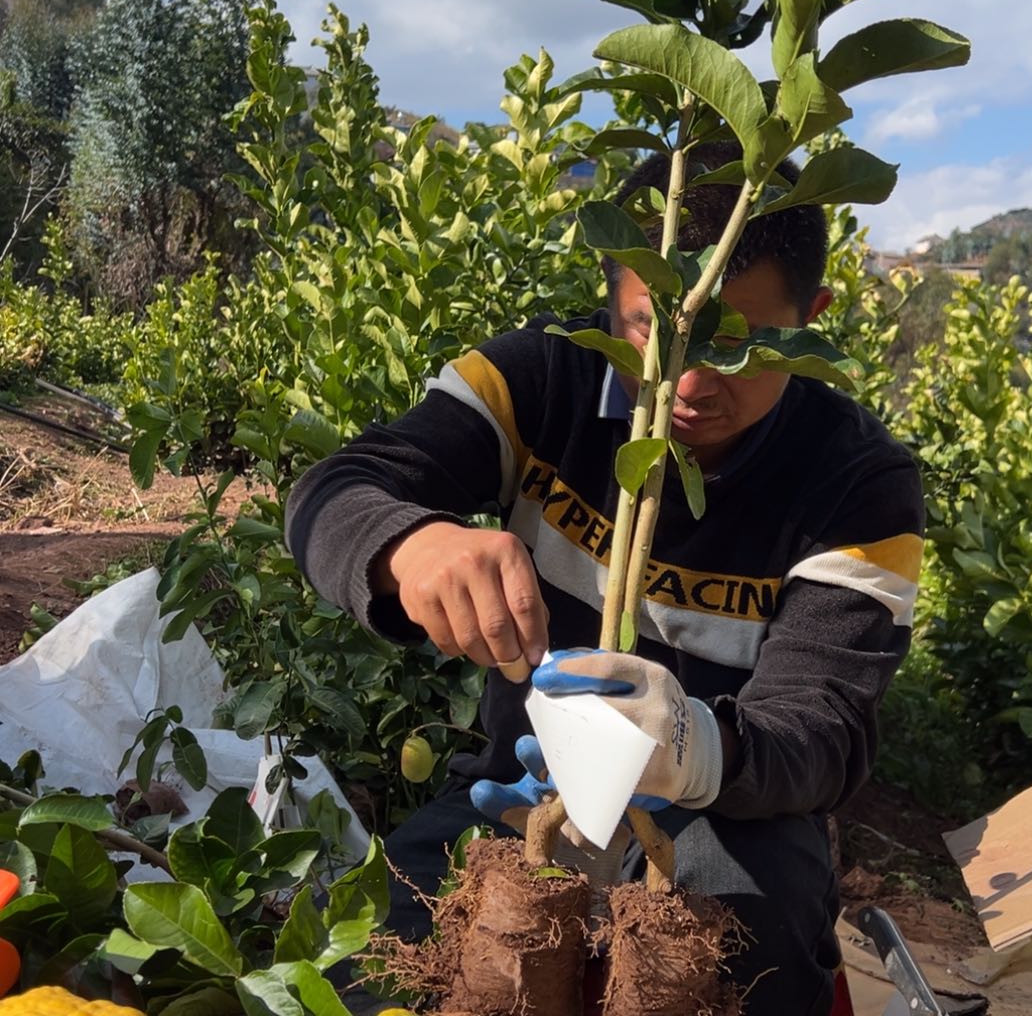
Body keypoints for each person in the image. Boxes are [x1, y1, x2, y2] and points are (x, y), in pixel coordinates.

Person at [284, 141, 924, 1015]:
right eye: (647, 328)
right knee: (364, 963)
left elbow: (826, 727)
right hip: (526, 791)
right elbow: (333, 491)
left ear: (811, 316)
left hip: (734, 821)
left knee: (743, 944)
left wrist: (695, 749)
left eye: (736, 345)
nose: (687, 382)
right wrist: (406, 544)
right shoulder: (538, 380)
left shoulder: (857, 485)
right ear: (612, 291)